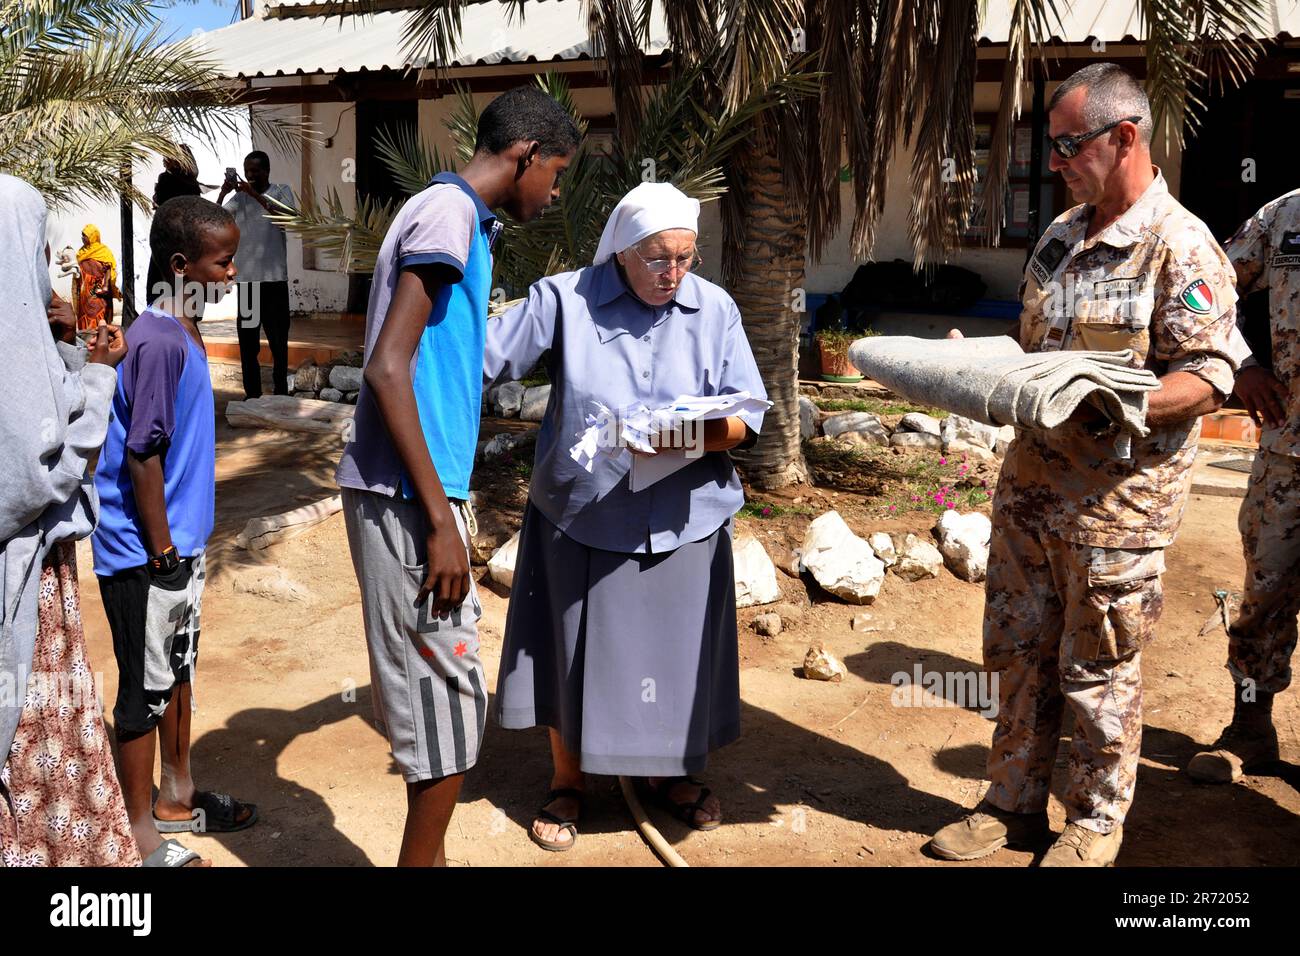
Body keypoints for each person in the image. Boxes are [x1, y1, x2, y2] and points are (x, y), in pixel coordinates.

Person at [928, 63, 1246, 867]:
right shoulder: (1062, 235)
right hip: (1031, 498)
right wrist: (987, 370)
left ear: (1125, 136)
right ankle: (1009, 805)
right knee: (1016, 655)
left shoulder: (1183, 247)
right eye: (1054, 145)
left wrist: (1111, 400)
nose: (1057, 160)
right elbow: (1037, 350)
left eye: (1069, 144)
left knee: (1100, 669)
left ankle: (1096, 823)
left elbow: (1208, 377)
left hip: (1117, 508)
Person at [484, 181, 768, 851]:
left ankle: (671, 775)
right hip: (582, 512)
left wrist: (689, 438)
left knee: (675, 656)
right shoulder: (565, 299)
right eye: (657, 258)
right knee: (571, 650)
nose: (673, 273)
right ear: (621, 251)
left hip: (685, 516)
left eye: (685, 257)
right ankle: (569, 781)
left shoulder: (715, 308)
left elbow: (747, 416)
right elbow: (478, 359)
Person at [335, 85, 578, 867]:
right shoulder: (450, 216)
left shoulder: (455, 218)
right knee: (444, 700)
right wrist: (441, 520)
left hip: (416, 491)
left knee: (438, 695)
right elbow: (388, 367)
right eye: (558, 172)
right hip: (410, 499)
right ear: (527, 155)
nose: (558, 190)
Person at [91, 196, 255, 868]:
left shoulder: (183, 329)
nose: (233, 271)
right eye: (223, 261)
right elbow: (142, 454)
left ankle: (177, 797)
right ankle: (139, 834)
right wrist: (160, 551)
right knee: (142, 687)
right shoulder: (157, 339)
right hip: (143, 553)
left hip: (178, 548)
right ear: (182, 264)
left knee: (177, 672)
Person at [0, 174, 137, 867]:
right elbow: (36, 472)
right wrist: (100, 376)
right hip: (21, 595)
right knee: (38, 765)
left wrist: (64, 351)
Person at [1186, 192, 1300, 783]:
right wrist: (1243, 364)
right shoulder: (1284, 217)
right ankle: (1251, 729)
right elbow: (1206, 289)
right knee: (1266, 593)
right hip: (1287, 450)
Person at [219, 150, 296, 398]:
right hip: (249, 284)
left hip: (274, 282)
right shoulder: (240, 199)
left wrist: (254, 195)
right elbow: (213, 219)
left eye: (255, 171)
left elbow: (288, 219)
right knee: (248, 344)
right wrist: (224, 191)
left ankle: (281, 392)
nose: (250, 175)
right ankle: (252, 394)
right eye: (247, 170)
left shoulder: (282, 191)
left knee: (278, 342)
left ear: (267, 171)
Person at [146, 145, 206, 303]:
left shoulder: (166, 179)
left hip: (167, 239)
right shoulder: (193, 183)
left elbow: (162, 204)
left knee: (159, 287)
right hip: (188, 240)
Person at [75, 224, 120, 331]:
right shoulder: (82, 252)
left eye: (85, 235)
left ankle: (100, 340)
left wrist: (105, 286)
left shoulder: (103, 251)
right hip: (85, 294)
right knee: (84, 318)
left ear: (92, 236)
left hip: (99, 292)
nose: (82, 238)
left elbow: (109, 268)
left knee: (99, 318)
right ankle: (85, 341)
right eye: (82, 235)